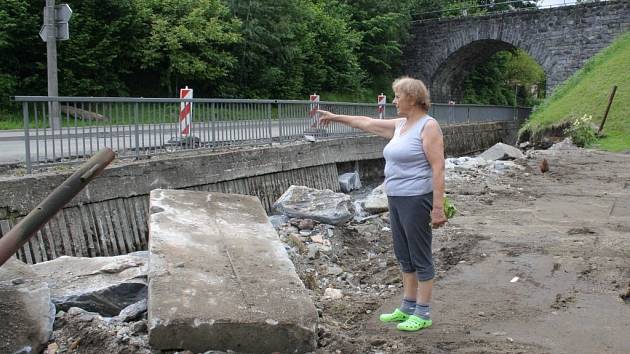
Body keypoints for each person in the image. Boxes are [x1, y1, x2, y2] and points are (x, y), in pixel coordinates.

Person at [317, 76, 446, 332]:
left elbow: (438, 166)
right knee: (403, 254)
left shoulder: (428, 126)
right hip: (396, 197)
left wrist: (438, 207)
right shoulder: (400, 125)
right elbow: (366, 122)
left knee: (420, 255)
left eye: (398, 96)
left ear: (412, 98)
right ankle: (408, 306)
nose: (395, 101)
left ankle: (423, 312)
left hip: (416, 197)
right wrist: (336, 117)